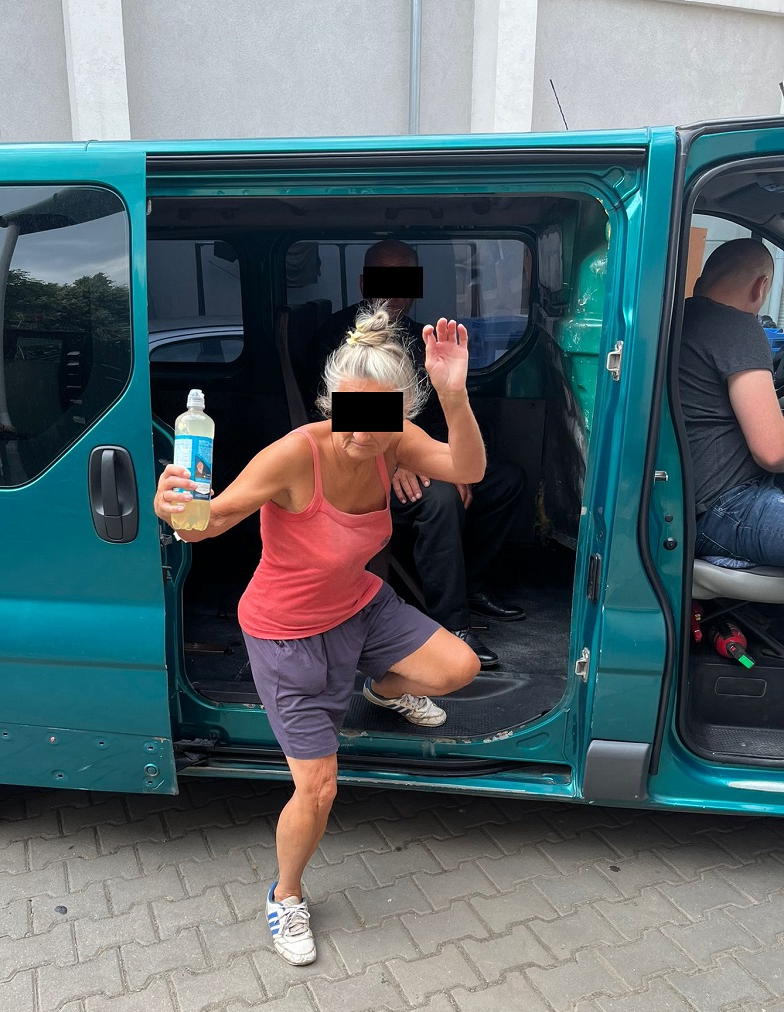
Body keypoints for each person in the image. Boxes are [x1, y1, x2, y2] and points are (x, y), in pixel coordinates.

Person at [154, 306, 482, 966]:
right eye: (348, 413)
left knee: (459, 668)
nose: (361, 433)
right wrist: (176, 508)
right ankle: (286, 894)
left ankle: (383, 689)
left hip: (360, 606)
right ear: (330, 401)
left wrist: (454, 395)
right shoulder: (295, 455)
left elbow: (466, 468)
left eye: (379, 416)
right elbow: (210, 521)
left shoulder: (394, 440)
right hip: (288, 633)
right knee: (319, 789)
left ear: (400, 411)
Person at [314, 239, 526, 671]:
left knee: (506, 481)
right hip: (362, 467)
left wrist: (453, 463)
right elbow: (338, 417)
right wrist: (395, 461)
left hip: (420, 455)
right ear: (363, 284)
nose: (395, 291)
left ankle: (471, 584)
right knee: (441, 500)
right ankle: (451, 627)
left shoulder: (420, 337)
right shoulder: (339, 337)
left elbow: (438, 414)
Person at [681, 239, 784, 565]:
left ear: (700, 282)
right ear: (760, 287)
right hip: (728, 507)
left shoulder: (676, 320)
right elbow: (773, 452)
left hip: (687, 508)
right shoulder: (737, 326)